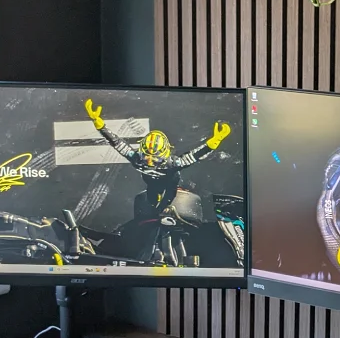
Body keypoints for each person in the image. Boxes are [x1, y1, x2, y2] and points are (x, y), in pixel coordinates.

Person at [83, 97, 232, 264]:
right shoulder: (140, 159)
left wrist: (214, 142)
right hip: (152, 186)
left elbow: (194, 156)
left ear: (164, 154)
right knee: (153, 198)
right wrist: (99, 125)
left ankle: (162, 211)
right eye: (147, 157)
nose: (149, 162)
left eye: (155, 159)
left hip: (169, 185)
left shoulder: (169, 163)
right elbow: (116, 143)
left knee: (166, 199)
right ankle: (157, 213)